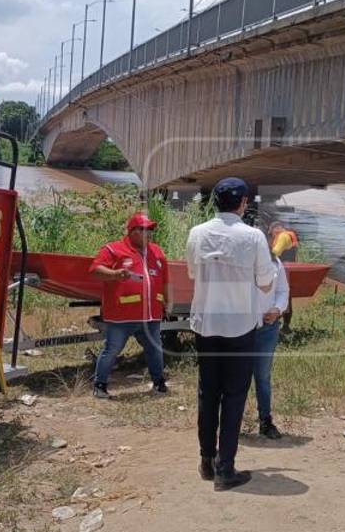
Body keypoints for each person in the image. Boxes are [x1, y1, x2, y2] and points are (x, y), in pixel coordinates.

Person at [186, 177, 275, 491]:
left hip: (206, 326)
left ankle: (206, 461)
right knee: (234, 396)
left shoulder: (196, 233)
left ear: (216, 202)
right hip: (239, 328)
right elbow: (266, 283)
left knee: (207, 393)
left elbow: (193, 274)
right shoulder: (253, 237)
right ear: (243, 203)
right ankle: (226, 469)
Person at [88, 212, 169, 400]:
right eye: (144, 229)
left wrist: (168, 301)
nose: (148, 234)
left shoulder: (157, 252)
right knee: (112, 349)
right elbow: (95, 270)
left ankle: (159, 383)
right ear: (132, 231)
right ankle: (100, 386)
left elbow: (165, 280)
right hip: (121, 315)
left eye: (150, 230)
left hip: (150, 315)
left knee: (155, 349)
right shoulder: (113, 249)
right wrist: (115, 274)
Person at [252, 250, 290, 440]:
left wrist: (277, 309)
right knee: (237, 377)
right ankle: (230, 422)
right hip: (241, 328)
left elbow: (283, 291)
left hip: (267, 328)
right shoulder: (242, 263)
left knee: (263, 377)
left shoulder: (276, 264)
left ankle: (265, 421)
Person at [269, 222, 299, 335]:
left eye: (271, 233)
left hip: (282, 272)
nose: (272, 237)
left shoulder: (283, 236)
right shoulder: (289, 237)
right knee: (287, 299)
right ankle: (285, 326)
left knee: (279, 299)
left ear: (276, 229)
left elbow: (275, 253)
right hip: (289, 271)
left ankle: (280, 326)